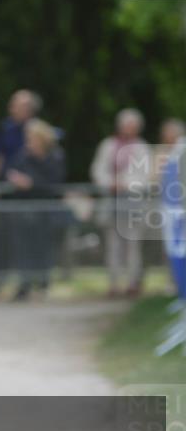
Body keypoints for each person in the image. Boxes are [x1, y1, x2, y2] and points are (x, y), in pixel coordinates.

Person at [0, 89, 41, 295]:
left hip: (28, 195)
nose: (11, 108)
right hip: (7, 191)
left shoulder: (37, 130)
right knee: (2, 239)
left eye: (16, 104)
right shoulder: (7, 128)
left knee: (25, 240)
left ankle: (27, 283)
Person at [91, 108, 151, 297]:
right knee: (113, 245)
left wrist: (127, 183)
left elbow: (147, 175)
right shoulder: (108, 145)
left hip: (133, 203)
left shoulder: (142, 147)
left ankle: (133, 281)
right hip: (112, 202)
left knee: (133, 245)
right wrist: (111, 183)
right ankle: (114, 282)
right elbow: (98, 170)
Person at [4, 119, 66, 300]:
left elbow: (54, 184)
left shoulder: (55, 156)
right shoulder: (23, 156)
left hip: (45, 210)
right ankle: (24, 284)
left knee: (43, 247)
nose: (28, 141)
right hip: (24, 211)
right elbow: (11, 172)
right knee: (23, 248)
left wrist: (31, 184)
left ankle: (43, 283)